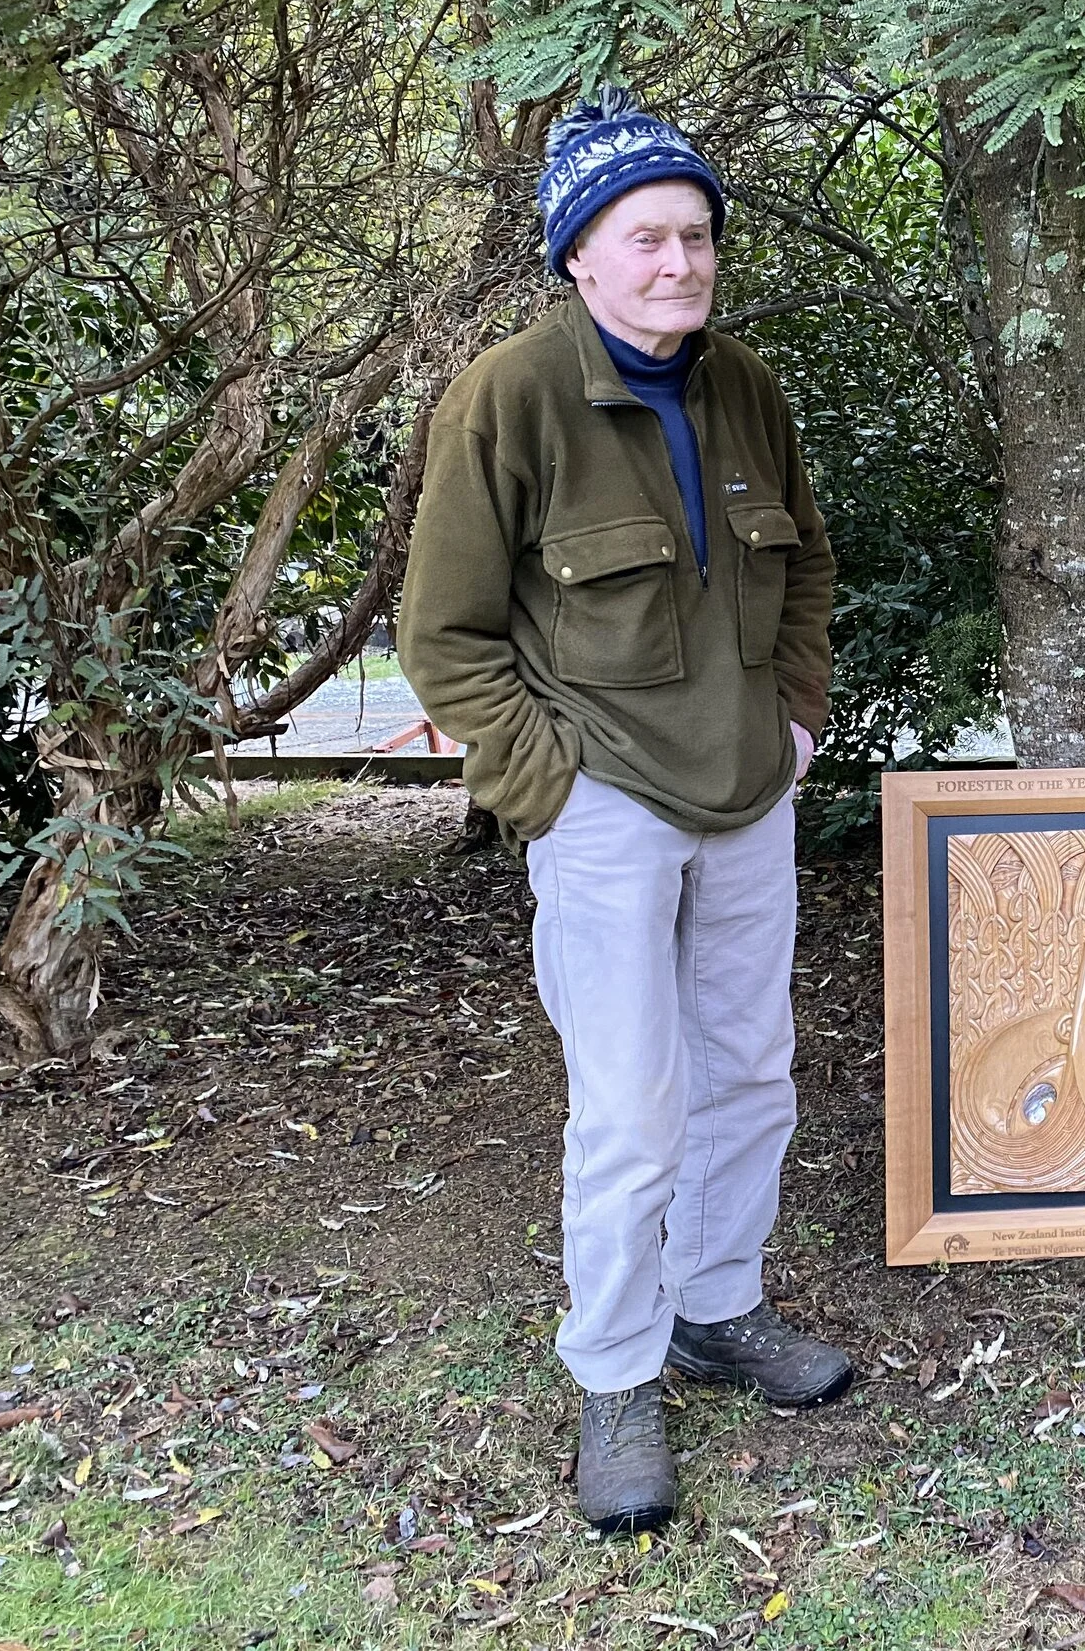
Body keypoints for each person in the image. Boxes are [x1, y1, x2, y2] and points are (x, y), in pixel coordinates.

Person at [398, 86, 851, 1533]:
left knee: (751, 1072)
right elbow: (445, 638)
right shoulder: (508, 396)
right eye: (646, 235)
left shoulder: (748, 388)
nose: (680, 259)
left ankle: (718, 1307)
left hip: (746, 791)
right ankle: (615, 1369)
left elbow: (812, 573)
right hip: (604, 803)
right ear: (579, 254)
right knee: (632, 1106)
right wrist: (549, 789)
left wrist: (793, 717)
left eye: (697, 233)